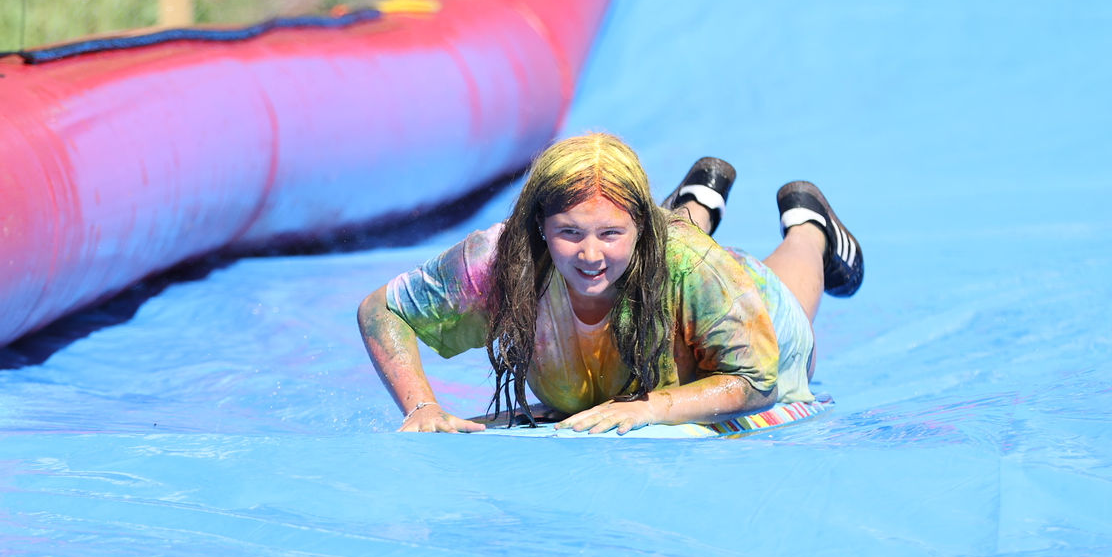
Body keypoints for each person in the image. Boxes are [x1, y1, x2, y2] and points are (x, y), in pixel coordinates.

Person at [355, 131, 864, 434]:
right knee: (645, 263)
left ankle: (809, 226)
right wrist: (422, 405)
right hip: (661, 262)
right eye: (569, 232)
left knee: (788, 311)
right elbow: (383, 310)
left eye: (610, 233)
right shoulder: (501, 259)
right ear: (539, 226)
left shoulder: (697, 269)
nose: (590, 254)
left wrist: (652, 407)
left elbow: (757, 380)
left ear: (641, 225)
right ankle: (696, 203)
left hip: (726, 291)